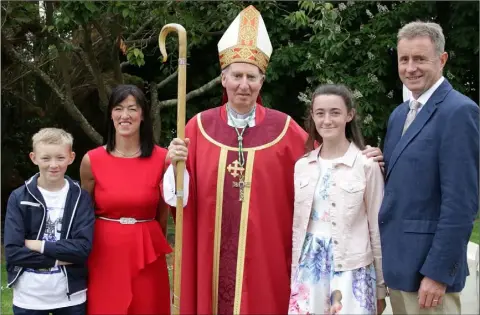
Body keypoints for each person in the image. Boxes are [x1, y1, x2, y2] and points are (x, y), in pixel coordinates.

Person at [164, 6, 385, 314]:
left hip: (264, 254)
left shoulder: (283, 128)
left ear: (262, 80)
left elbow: (328, 159)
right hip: (212, 254)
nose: (244, 85)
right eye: (237, 76)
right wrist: (173, 165)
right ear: (223, 79)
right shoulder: (198, 128)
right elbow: (178, 198)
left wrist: (363, 155)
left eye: (251, 77)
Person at [379, 21, 479, 315]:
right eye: (404, 59)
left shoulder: (459, 112)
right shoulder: (399, 115)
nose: (411, 68)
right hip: (398, 266)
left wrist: (438, 273)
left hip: (429, 276)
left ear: (442, 59)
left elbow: (461, 203)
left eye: (420, 59)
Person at [288, 84, 386, 315]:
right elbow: (298, 227)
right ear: (312, 116)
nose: (327, 120)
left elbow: (377, 228)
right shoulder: (303, 166)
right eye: (320, 113)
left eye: (335, 112)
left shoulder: (366, 165)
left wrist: (380, 287)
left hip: (352, 267)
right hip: (310, 267)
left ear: (349, 115)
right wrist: (294, 273)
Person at [80, 85, 172, 314]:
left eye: (132, 109)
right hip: (105, 252)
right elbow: (84, 214)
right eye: (118, 108)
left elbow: (163, 213)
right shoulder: (91, 161)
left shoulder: (163, 159)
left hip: (147, 251)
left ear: (143, 115)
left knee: (148, 306)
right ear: (111, 114)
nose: (125, 115)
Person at [4, 128, 95, 315]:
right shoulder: (19, 197)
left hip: (71, 297)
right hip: (29, 298)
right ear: (33, 157)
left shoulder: (80, 198)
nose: (53, 165)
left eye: (60, 158)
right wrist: (60, 258)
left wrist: (38, 245)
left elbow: (82, 250)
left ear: (71, 157)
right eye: (46, 158)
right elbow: (13, 252)